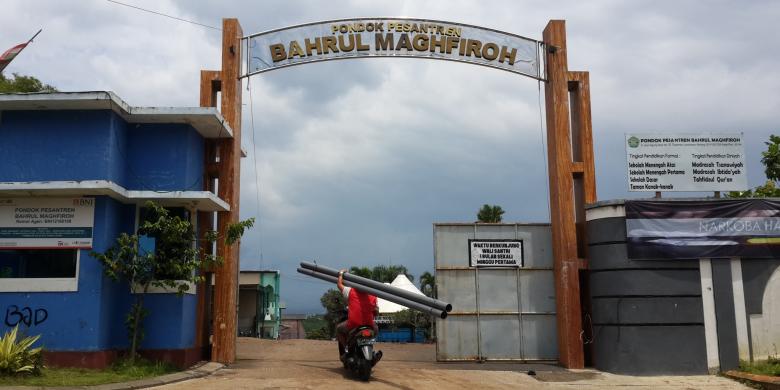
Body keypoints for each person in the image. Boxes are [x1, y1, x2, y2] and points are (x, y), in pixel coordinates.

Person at [335, 269, 382, 365]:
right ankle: (370, 348)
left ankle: (346, 348)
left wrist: (340, 274)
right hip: (369, 325)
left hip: (353, 325)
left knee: (338, 329)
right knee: (376, 330)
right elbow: (376, 312)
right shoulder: (373, 295)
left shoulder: (351, 291)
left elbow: (339, 285)